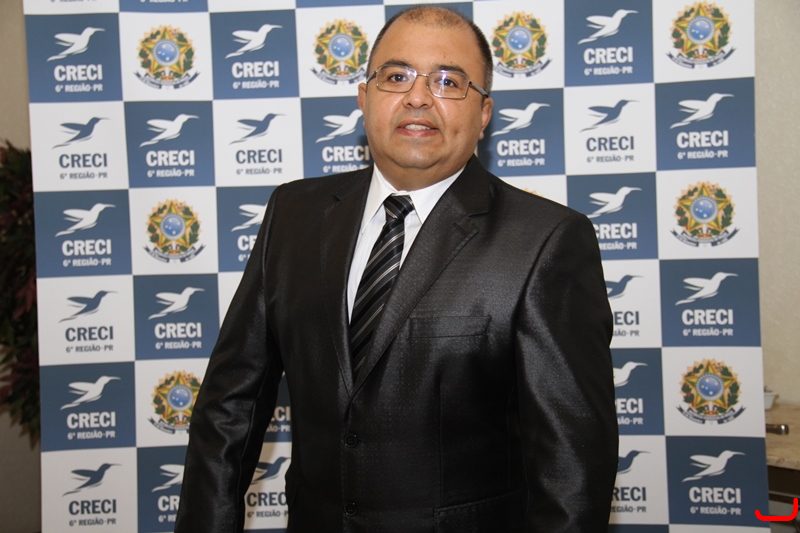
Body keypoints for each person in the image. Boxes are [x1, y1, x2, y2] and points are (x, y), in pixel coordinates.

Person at [176, 6, 618, 533]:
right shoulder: (293, 215)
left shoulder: (547, 240)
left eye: (448, 81)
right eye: (397, 76)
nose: (418, 97)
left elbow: (572, 470)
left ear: (483, 113)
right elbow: (231, 405)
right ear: (364, 97)